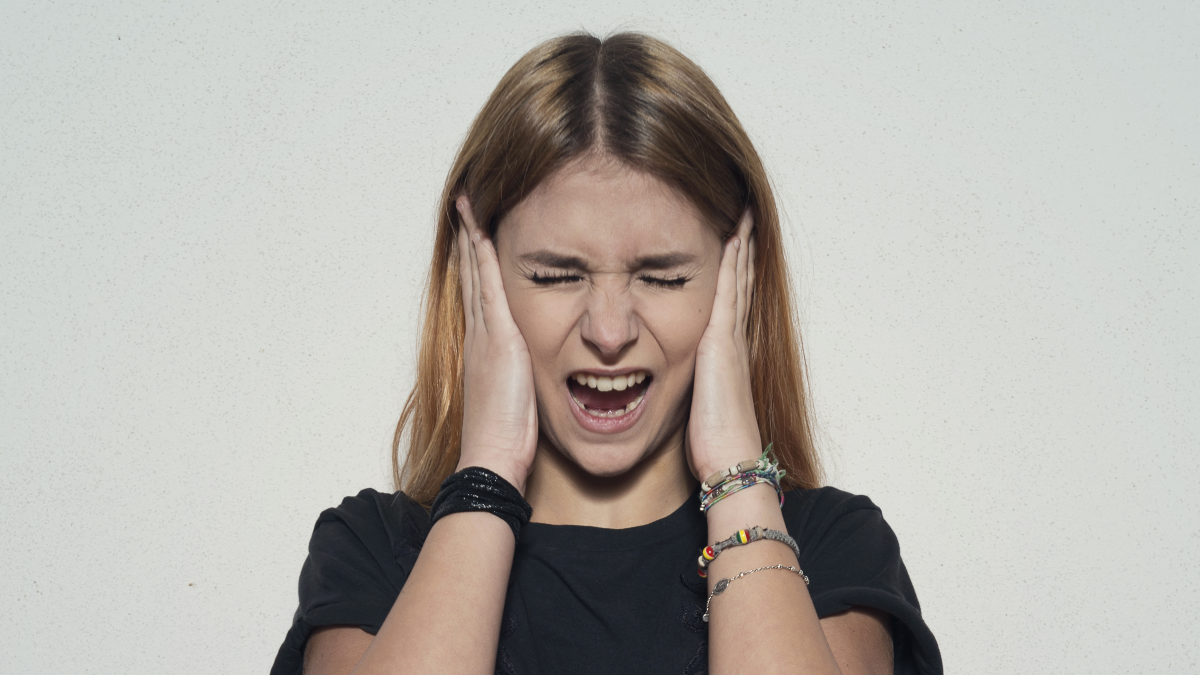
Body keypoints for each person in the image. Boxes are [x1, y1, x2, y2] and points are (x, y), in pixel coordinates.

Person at [271, 32, 942, 675]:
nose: (610, 330)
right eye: (556, 275)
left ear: (737, 282)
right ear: (481, 279)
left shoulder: (831, 548)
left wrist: (737, 474)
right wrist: (488, 469)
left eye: (663, 276)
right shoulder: (374, 550)